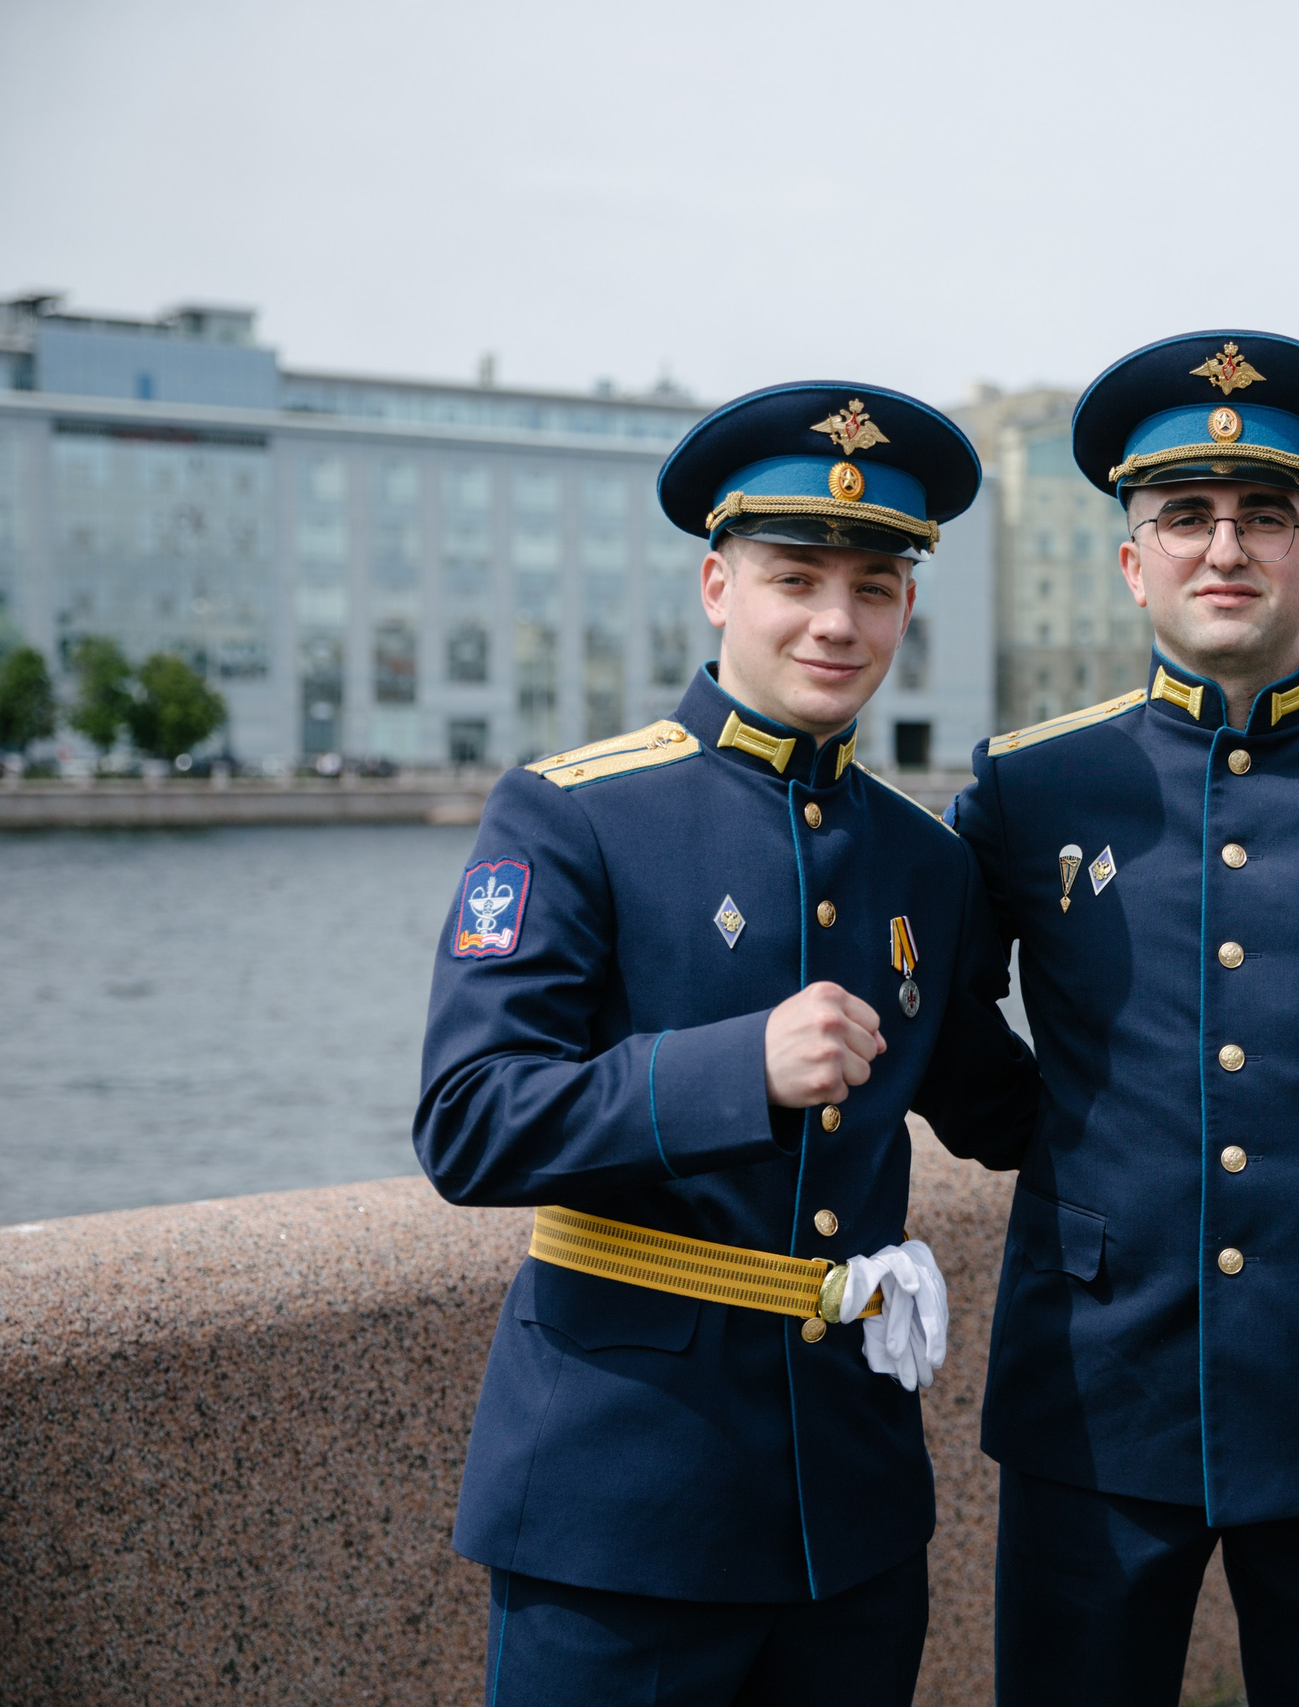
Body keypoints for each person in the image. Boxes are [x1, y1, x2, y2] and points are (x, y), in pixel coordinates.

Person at [415, 381, 1037, 1706]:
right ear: (717, 586)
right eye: (794, 578)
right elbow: (468, 1120)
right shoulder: (572, 815)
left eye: (875, 588)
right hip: (623, 1508)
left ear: (908, 610)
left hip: (852, 1515)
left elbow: (1005, 1106)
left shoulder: (926, 861)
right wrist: (732, 1068)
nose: (835, 621)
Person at [945, 332, 1299, 1706]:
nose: (1226, 547)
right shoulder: (1030, 788)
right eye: (1185, 515)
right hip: (1095, 1381)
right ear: (1133, 562)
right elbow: (937, 1011)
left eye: (1267, 515)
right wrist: (1056, 1140)